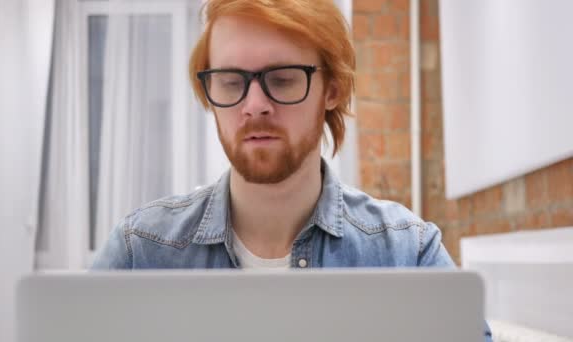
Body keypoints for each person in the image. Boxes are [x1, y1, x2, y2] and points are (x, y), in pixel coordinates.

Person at [92, 0, 491, 339]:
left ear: (331, 90)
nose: (254, 105)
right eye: (231, 82)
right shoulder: (140, 250)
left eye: (281, 80)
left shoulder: (406, 253)